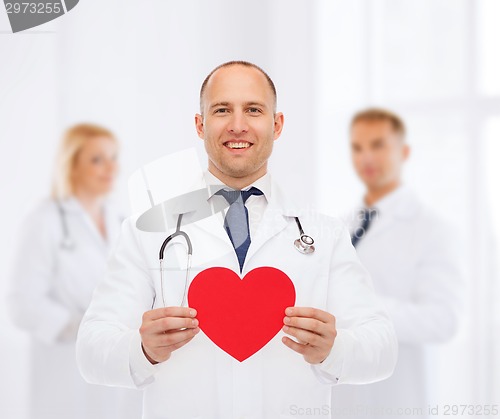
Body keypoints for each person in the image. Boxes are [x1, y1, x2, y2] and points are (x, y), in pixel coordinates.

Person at [76, 61, 398, 419]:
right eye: (222, 110)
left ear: (277, 125)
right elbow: (90, 350)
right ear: (200, 125)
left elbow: (382, 349)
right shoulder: (147, 229)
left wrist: (334, 349)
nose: (238, 125)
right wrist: (142, 350)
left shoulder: (324, 233)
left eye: (254, 110)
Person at [332, 108, 463, 417]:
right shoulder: (340, 226)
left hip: (397, 397)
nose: (366, 158)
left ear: (404, 152)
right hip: (342, 393)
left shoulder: (432, 228)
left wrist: (361, 309)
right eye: (357, 147)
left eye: (378, 145)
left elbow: (444, 320)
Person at [8, 124, 143, 419]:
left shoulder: (121, 220)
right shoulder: (44, 220)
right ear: (72, 166)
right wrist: (76, 326)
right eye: (97, 159)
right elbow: (22, 305)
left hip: (114, 361)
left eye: (114, 157)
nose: (111, 167)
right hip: (63, 366)